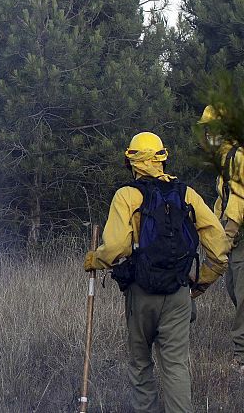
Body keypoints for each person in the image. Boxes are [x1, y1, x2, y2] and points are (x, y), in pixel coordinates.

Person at [84, 132, 230, 412]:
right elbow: (218, 243)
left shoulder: (127, 195)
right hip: (178, 292)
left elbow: (115, 247)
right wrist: (202, 281)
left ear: (131, 161)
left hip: (141, 293)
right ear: (163, 158)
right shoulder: (186, 194)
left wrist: (95, 260)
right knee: (175, 366)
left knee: (141, 363)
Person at [199, 105, 244, 374]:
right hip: (235, 237)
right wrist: (215, 229)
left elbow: (238, 201)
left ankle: (241, 356)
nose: (209, 134)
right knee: (234, 291)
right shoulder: (225, 158)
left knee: (243, 296)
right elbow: (223, 199)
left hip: (240, 236)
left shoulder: (238, 157)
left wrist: (227, 234)